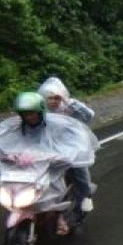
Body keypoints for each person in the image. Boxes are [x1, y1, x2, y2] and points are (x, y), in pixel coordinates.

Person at [0, 91, 98, 234]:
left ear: (40, 110)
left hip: (54, 164)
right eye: (25, 113)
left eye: (32, 113)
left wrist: (67, 154)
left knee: (78, 177)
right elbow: (2, 134)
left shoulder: (58, 124)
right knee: (14, 183)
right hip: (30, 166)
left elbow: (76, 138)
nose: (29, 117)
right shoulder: (15, 125)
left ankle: (71, 213)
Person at [38, 77, 97, 212]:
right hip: (48, 146)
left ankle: (86, 195)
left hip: (72, 145)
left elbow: (89, 116)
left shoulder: (69, 107)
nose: (53, 101)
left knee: (79, 168)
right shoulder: (40, 110)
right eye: (50, 98)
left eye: (57, 98)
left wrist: (69, 102)